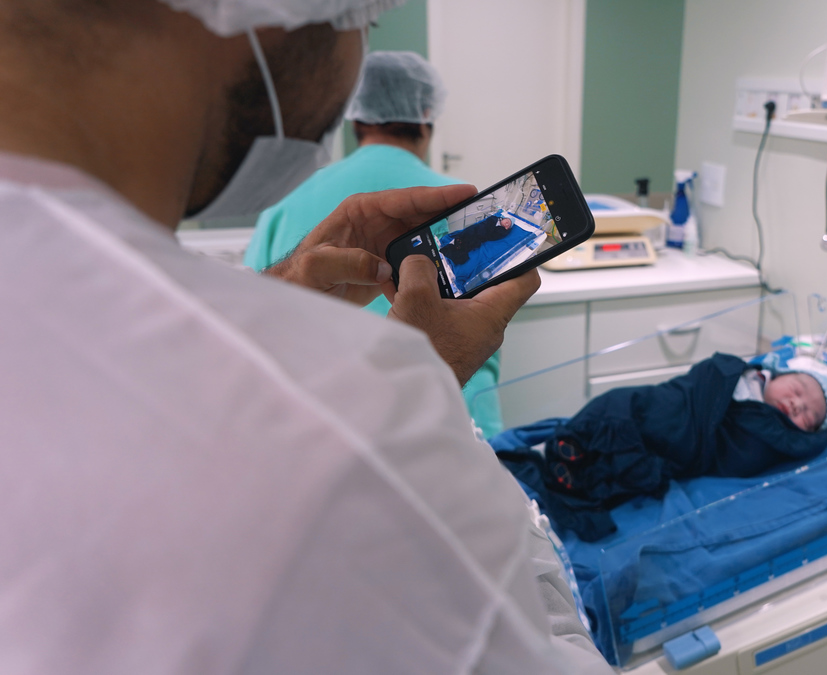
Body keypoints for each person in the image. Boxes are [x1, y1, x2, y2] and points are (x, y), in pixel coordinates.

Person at [0, 1, 610, 673]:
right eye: (365, 19)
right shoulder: (359, 456)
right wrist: (413, 390)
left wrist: (273, 302)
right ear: (268, 15)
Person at [245, 50, 507, 438]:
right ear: (427, 114)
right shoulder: (462, 203)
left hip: (322, 426)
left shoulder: (286, 201)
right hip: (451, 420)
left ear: (355, 116)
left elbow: (251, 315)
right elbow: (481, 330)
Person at [498, 353, 827, 541]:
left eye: (810, 416)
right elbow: (702, 378)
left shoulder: (770, 436)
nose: (797, 405)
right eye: (798, 391)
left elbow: (737, 455)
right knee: (623, 404)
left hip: (686, 441)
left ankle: (574, 469)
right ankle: (574, 445)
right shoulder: (739, 372)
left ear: (810, 433)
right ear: (779, 374)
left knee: (641, 460)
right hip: (672, 402)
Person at [440, 213, 515, 265]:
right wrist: (491, 228)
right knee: (468, 232)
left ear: (507, 228)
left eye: (509, 225)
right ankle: (456, 244)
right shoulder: (494, 218)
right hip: (477, 228)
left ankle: (457, 247)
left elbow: (493, 236)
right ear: (503, 219)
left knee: (473, 244)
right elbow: (487, 222)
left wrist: (504, 230)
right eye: (507, 221)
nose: (507, 223)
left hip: (482, 236)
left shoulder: (501, 231)